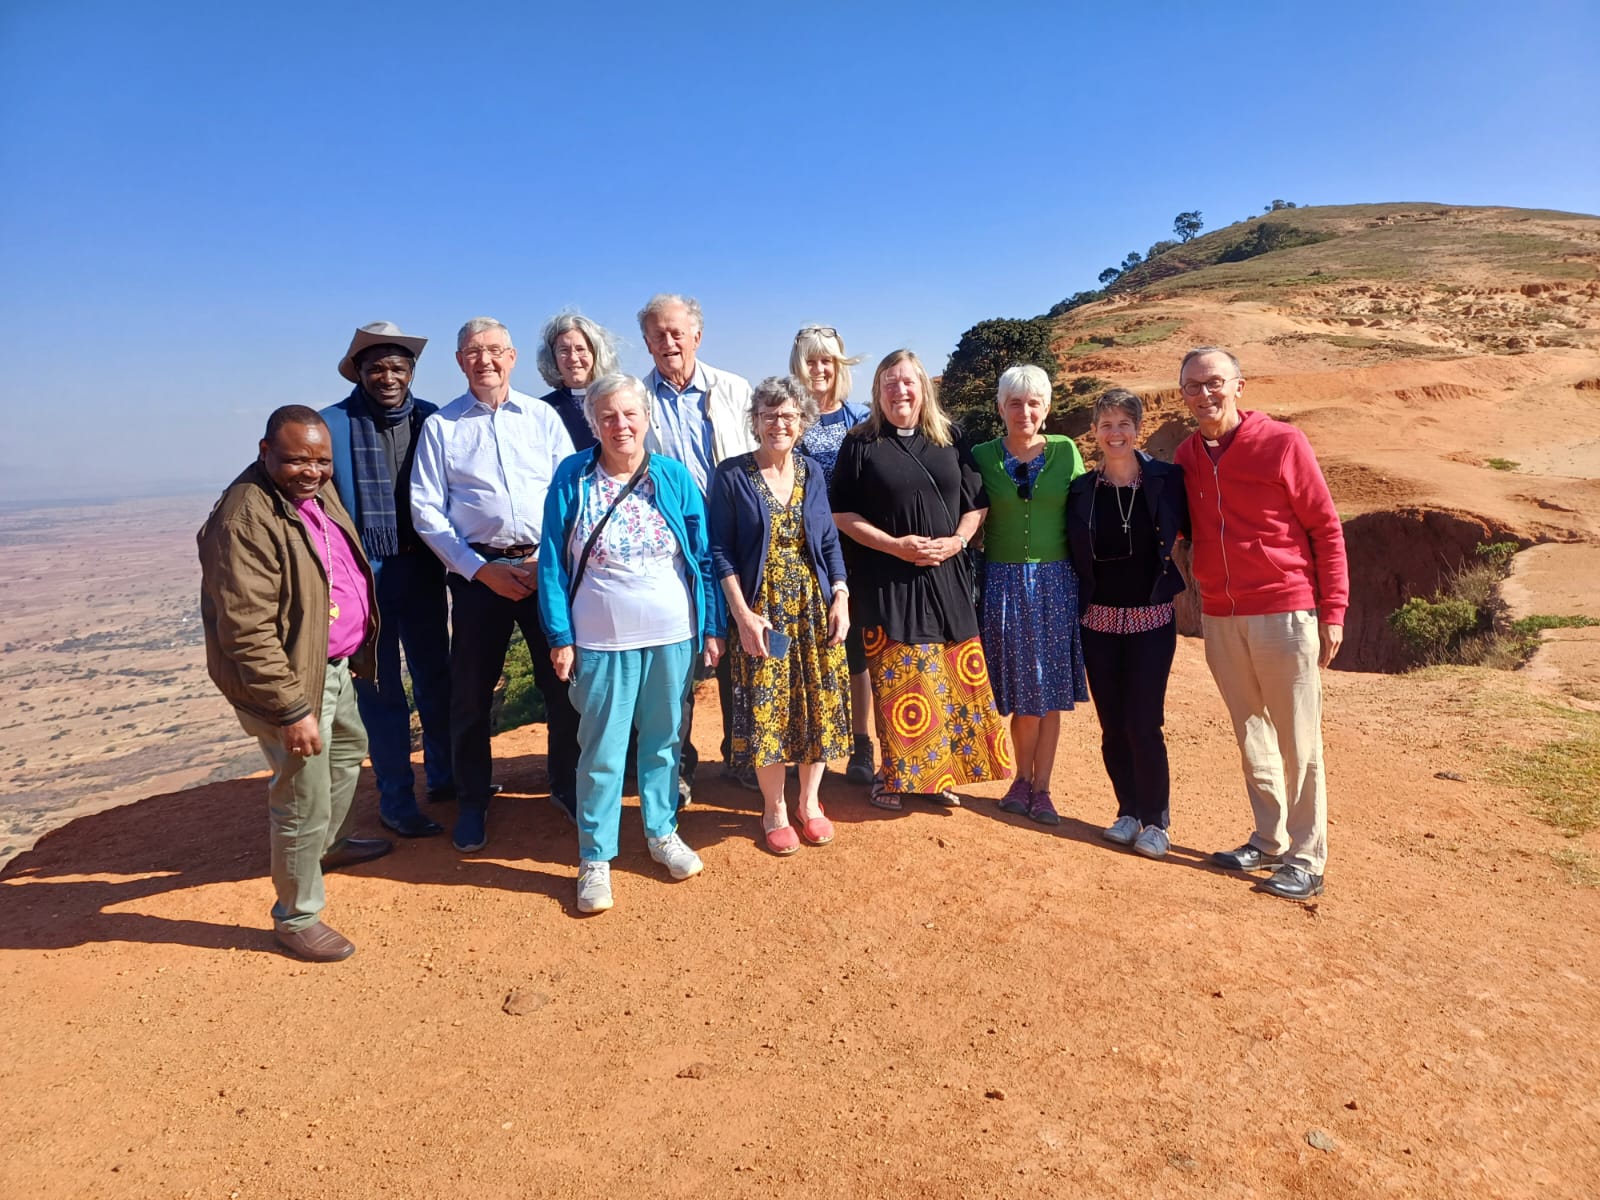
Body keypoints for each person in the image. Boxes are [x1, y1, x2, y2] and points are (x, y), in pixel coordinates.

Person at [197, 406, 388, 962]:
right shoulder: (244, 519)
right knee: (302, 793)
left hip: (328, 663)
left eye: (321, 460)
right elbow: (248, 630)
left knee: (349, 749)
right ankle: (296, 916)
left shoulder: (312, 493)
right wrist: (291, 710)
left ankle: (329, 846)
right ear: (264, 451)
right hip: (290, 683)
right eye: (296, 459)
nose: (311, 470)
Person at [538, 373, 724, 913]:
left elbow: (703, 557)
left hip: (672, 635)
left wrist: (711, 628)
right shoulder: (573, 477)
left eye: (629, 414)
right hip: (600, 639)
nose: (620, 425)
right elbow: (552, 560)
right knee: (601, 749)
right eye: (608, 416)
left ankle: (662, 832)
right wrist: (560, 636)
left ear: (646, 418)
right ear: (594, 423)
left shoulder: (672, 476)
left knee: (665, 740)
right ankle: (595, 857)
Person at [1172, 347, 1348, 900]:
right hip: (1221, 614)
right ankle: (1269, 839)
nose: (1204, 395)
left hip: (1283, 608)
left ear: (1239, 386)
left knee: (1299, 739)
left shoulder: (1282, 443)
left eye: (1214, 383)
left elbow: (1325, 528)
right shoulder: (1185, 456)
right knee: (1250, 731)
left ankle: (1307, 856)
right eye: (1193, 388)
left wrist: (1333, 610)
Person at [411, 317, 578, 854]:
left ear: (512, 357)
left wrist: (545, 562)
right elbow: (426, 511)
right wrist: (480, 570)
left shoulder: (543, 417)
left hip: (542, 568)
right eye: (474, 352)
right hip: (478, 576)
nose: (485, 360)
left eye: (495, 351)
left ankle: (568, 786)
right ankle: (474, 800)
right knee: (471, 696)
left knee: (562, 685)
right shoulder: (442, 427)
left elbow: (567, 493)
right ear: (460, 362)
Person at [830, 350, 1014, 809]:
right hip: (887, 577)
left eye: (908, 382)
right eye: (889, 384)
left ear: (923, 388)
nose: (900, 392)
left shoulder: (951, 438)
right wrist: (895, 546)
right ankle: (892, 777)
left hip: (946, 575)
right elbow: (841, 513)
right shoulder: (860, 443)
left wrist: (956, 541)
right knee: (901, 680)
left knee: (949, 678)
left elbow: (976, 503)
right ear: (878, 393)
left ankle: (937, 775)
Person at [710, 375, 852, 855]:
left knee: (817, 703)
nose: (779, 423)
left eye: (789, 415)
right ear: (755, 421)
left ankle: (810, 804)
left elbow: (828, 540)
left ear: (802, 421)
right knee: (769, 706)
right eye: (770, 415)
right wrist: (743, 615)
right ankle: (773, 808)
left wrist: (841, 594)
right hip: (762, 610)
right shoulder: (731, 475)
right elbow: (720, 550)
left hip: (813, 607)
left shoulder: (812, 472)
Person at [320, 322, 449, 840]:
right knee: (380, 691)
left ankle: (447, 778)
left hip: (420, 570)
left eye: (397, 366)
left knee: (436, 679)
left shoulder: (431, 419)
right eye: (376, 367)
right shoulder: (331, 424)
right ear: (359, 372)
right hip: (362, 582)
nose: (387, 376)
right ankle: (397, 800)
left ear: (411, 371)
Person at [636, 293, 756, 797]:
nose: (669, 343)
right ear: (646, 342)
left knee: (742, 651)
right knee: (679, 655)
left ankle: (743, 754)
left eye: (677, 333)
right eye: (658, 335)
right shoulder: (637, 399)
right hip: (674, 544)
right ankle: (679, 768)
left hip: (736, 538)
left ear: (697, 337)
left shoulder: (733, 389)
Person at [1066, 388, 1189, 859]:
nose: (1115, 432)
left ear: (1139, 428)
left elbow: (1195, 528)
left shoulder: (1166, 479)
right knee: (1112, 724)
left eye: (1124, 423)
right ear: (1094, 432)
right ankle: (1128, 811)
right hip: (1097, 623)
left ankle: (1156, 821)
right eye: (1106, 424)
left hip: (1151, 622)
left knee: (1144, 722)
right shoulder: (1082, 490)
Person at [972, 365, 1087, 826]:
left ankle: (1042, 788)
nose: (1025, 411)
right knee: (1023, 687)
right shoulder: (980, 455)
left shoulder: (1065, 451)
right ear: (1001, 407)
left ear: (1047, 407)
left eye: (1034, 402)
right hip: (1002, 583)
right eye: (1015, 402)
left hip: (1057, 583)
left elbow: (1088, 508)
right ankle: (1021, 779)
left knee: (1049, 689)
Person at [791, 324, 875, 785]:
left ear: (839, 365)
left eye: (827, 360)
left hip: (857, 551)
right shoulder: (789, 417)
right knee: (810, 650)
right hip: (805, 555)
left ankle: (861, 745)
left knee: (857, 651)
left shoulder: (861, 418)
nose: (819, 369)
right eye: (810, 360)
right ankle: (810, 742)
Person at [534, 311, 617, 452]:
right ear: (552, 358)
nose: (573, 358)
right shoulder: (542, 410)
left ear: (596, 354)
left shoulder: (616, 400)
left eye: (580, 349)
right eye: (564, 350)